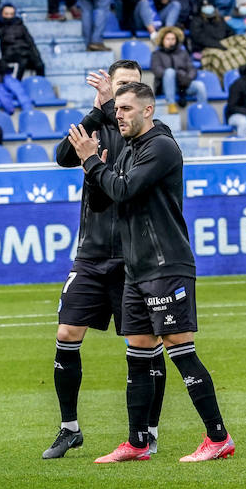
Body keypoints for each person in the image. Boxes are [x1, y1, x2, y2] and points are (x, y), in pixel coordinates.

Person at [67, 81, 233, 463]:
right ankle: (138, 442)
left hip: (166, 264)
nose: (118, 114)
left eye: (125, 108)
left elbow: (123, 191)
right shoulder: (129, 150)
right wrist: (95, 168)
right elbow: (110, 195)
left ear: (147, 111)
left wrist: (93, 163)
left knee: (180, 348)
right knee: (138, 351)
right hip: (137, 267)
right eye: (117, 109)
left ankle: (218, 436)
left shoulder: (161, 146)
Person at [42, 63, 164, 459]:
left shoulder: (143, 132)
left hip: (133, 257)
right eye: (119, 84)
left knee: (146, 344)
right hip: (92, 254)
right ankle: (69, 428)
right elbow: (62, 156)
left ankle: (148, 430)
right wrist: (96, 110)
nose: (125, 92)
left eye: (132, 85)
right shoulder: (99, 123)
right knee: (66, 334)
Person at [152, 27, 206, 113]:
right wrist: (176, 75)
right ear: (162, 40)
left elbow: (192, 68)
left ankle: (203, 111)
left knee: (200, 85)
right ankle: (171, 104)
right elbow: (157, 70)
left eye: (173, 39)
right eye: (168, 39)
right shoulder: (156, 54)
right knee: (170, 72)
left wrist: (187, 78)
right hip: (165, 86)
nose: (171, 41)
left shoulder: (183, 53)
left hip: (182, 85)